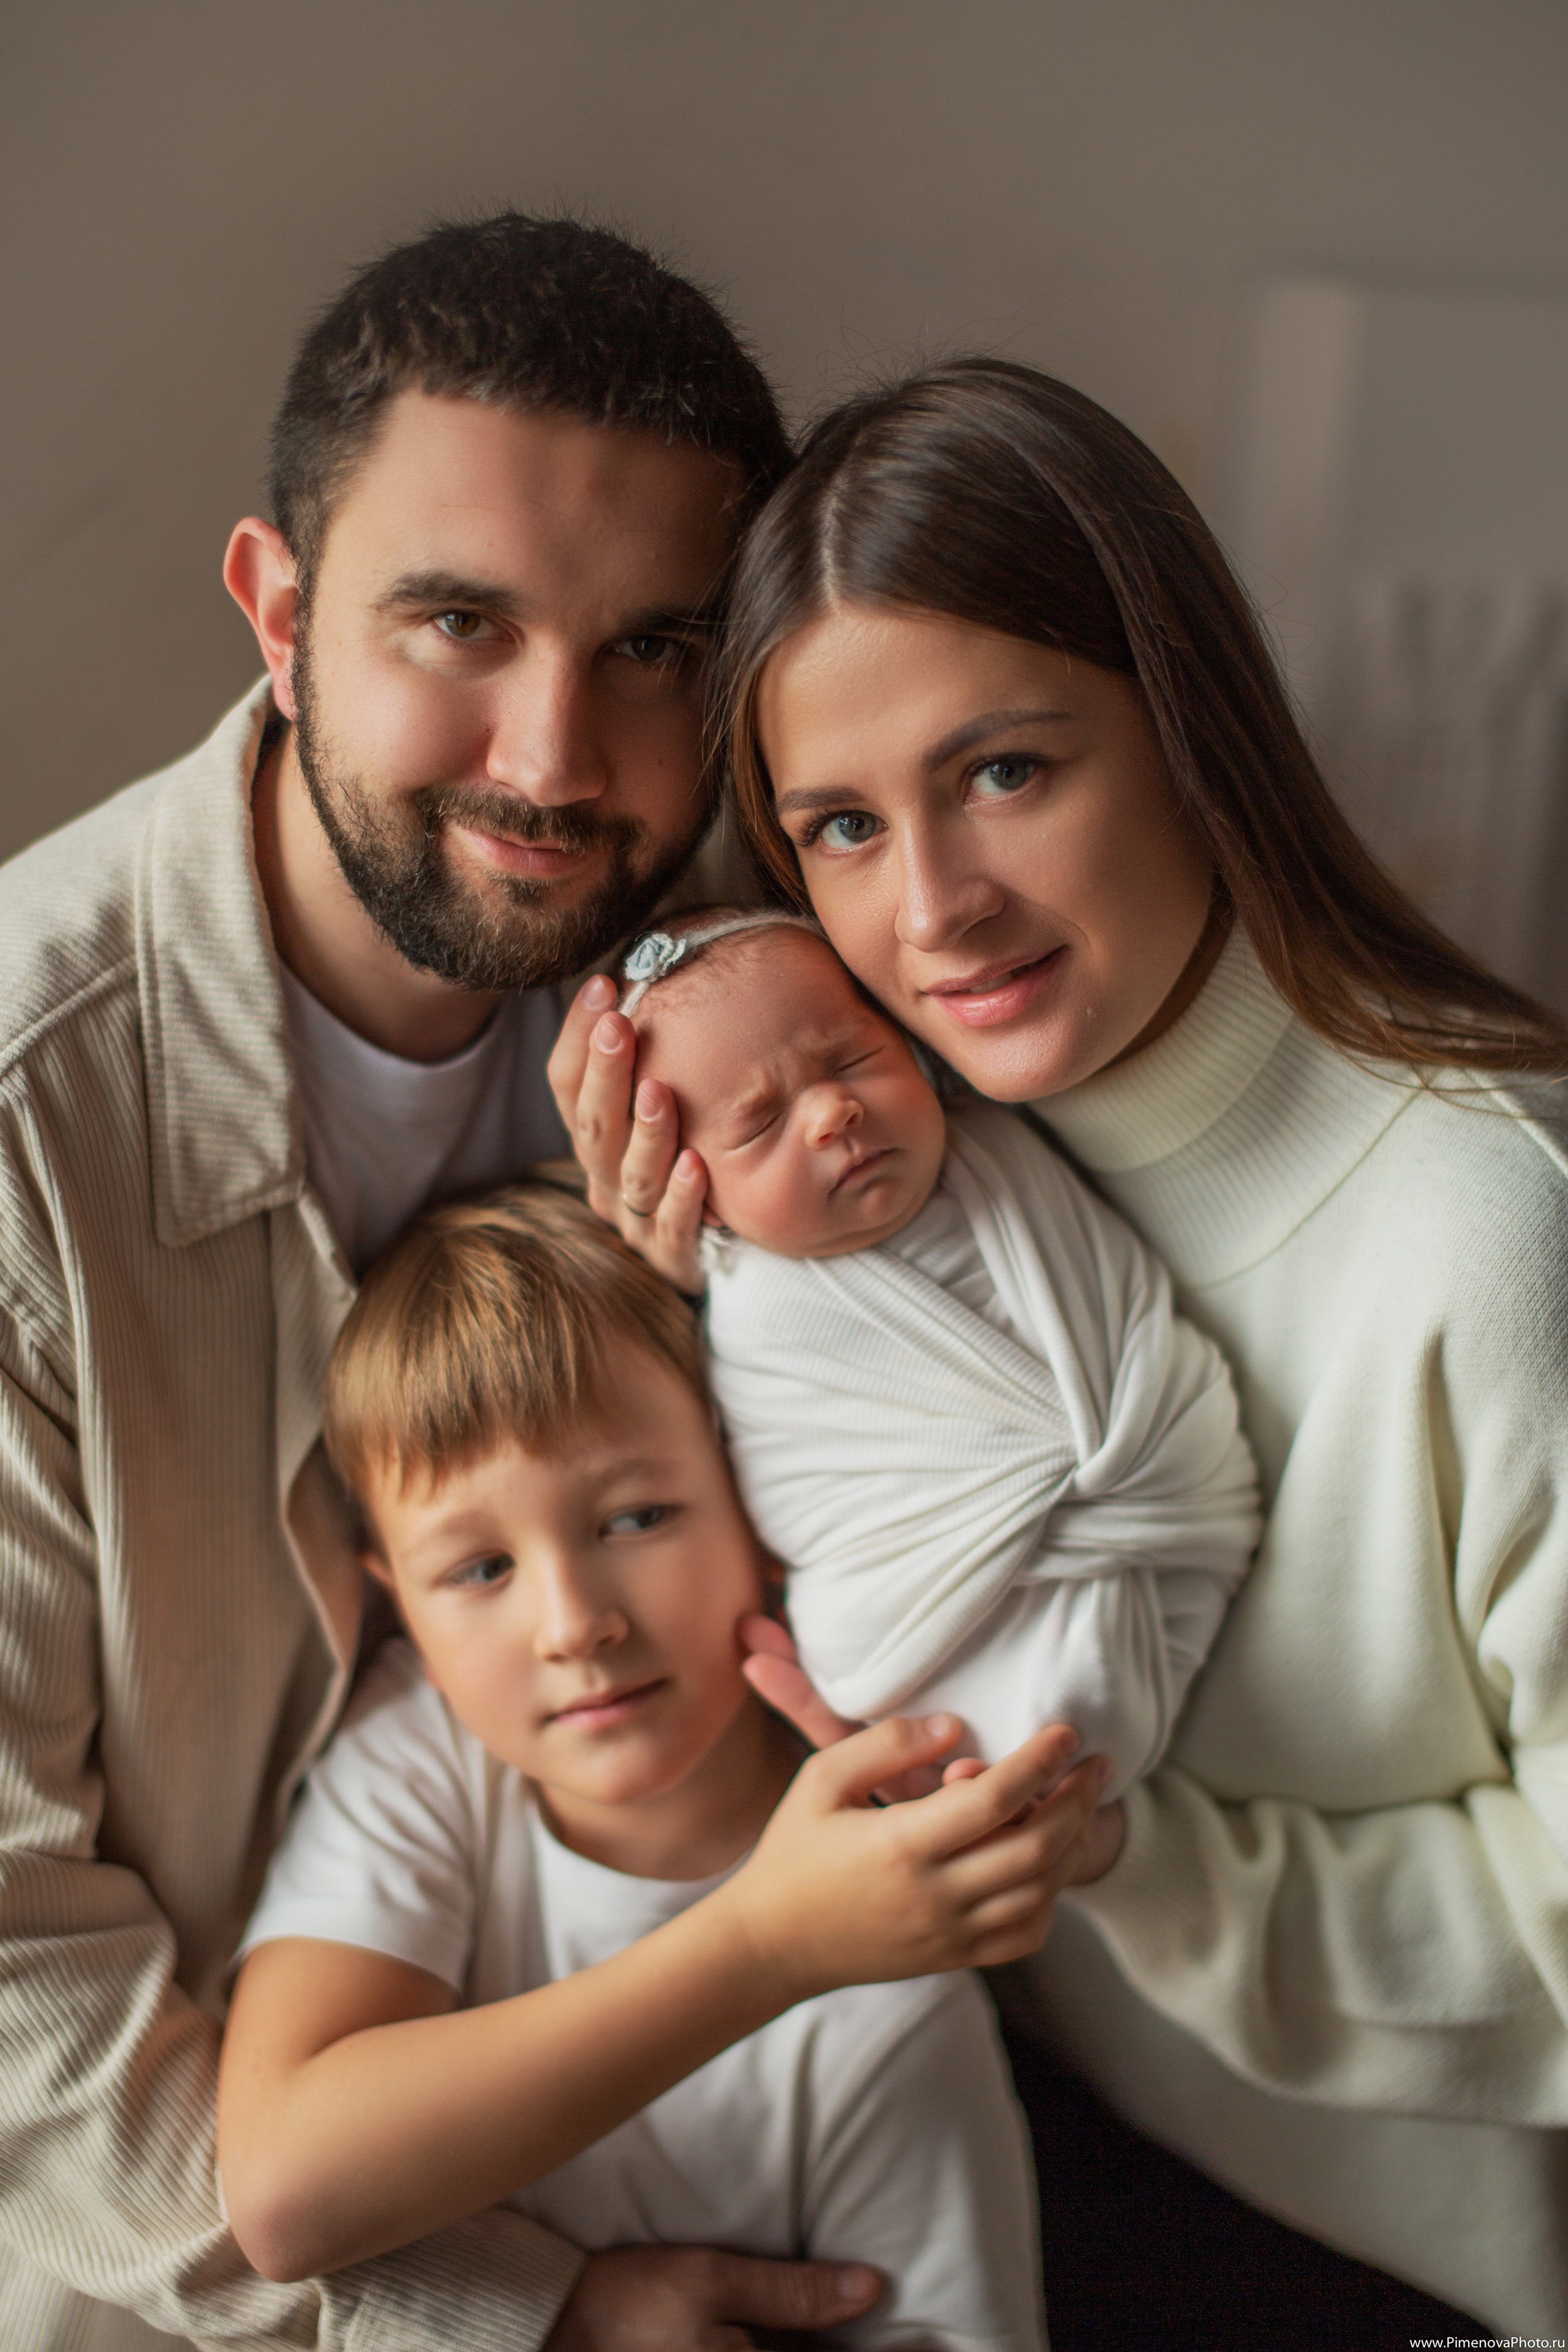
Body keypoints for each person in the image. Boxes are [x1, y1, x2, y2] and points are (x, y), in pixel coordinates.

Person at [0, 216, 1111, 2352]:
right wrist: (513, 2317)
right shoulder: (26, 1128)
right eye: (458, 623)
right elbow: (14, 1987)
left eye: (652, 650)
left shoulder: (777, 978)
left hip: (806, 2120)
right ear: (280, 613)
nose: (552, 755)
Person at [554, 356, 1568, 2343]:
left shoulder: (1498, 1230)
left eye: (1006, 772)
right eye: (843, 826)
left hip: (1393, 2254)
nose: (933, 909)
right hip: (1007, 2129)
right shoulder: (891, 1159)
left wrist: (1116, 1858)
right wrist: (696, 1286)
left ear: (1186, 726)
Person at [217, 1182, 1056, 2350]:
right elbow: (285, 2194)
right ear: (395, 1600)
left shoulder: (890, 1981)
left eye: (636, 1518)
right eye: (480, 1570)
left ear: (761, 1499)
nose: (574, 1626)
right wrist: (766, 1946)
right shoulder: (426, 1754)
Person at [616, 904, 1257, 1784]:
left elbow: (1125, 1316)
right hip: (933, 1598)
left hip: (1158, 1504)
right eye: (760, 1124)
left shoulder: (1002, 1158)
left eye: (853, 1060)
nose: (832, 1112)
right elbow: (809, 1495)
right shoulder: (759, 1310)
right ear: (700, 1198)